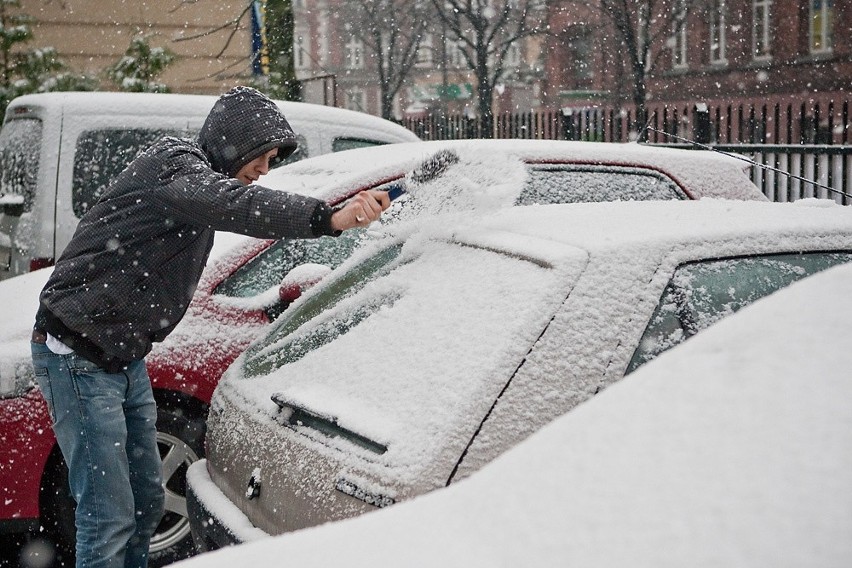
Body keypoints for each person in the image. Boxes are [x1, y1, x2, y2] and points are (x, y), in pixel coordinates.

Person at [30, 86, 389, 568]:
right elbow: (235, 205)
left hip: (121, 355)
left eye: (271, 162)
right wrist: (327, 217)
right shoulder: (174, 168)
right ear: (233, 143)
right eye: (261, 158)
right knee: (107, 515)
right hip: (77, 353)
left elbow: (231, 201)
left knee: (145, 505)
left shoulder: (190, 182)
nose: (264, 171)